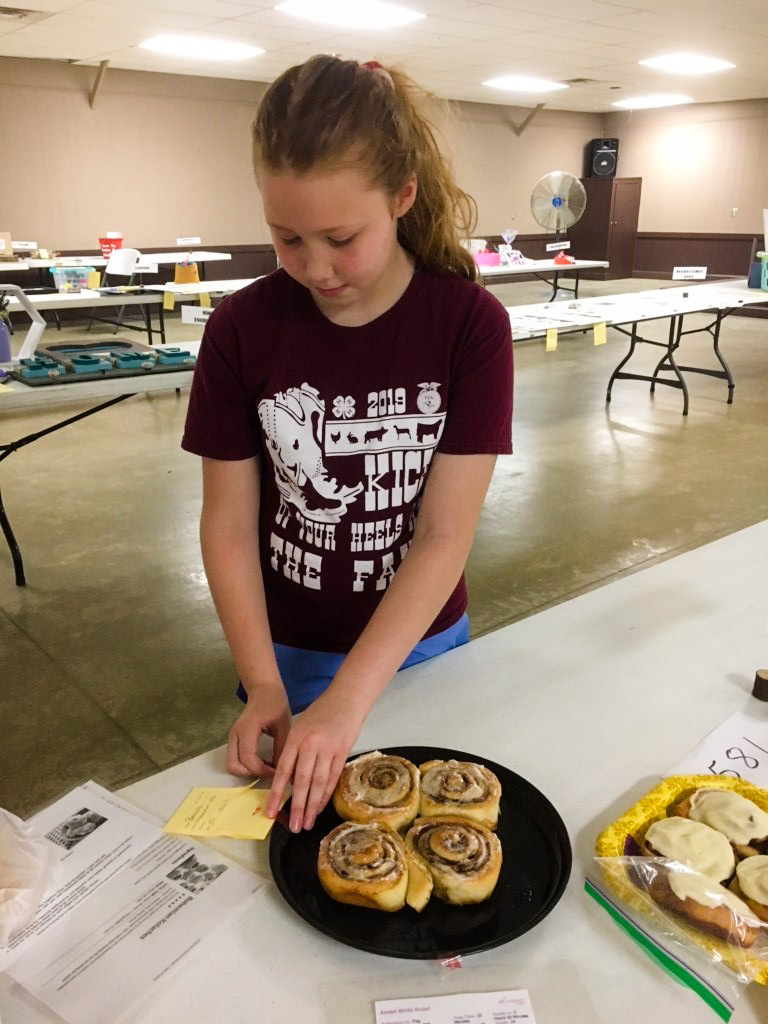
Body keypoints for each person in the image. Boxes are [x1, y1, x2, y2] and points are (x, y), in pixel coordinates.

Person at [182, 55, 513, 834]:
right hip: (284, 651)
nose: (316, 268)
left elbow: (443, 534)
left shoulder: (468, 326)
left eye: (340, 237)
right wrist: (262, 682)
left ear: (402, 196)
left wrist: (354, 696)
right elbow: (228, 525)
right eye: (287, 238)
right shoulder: (240, 330)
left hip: (421, 648)